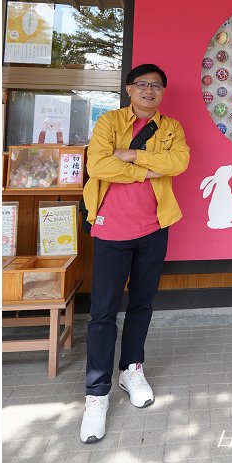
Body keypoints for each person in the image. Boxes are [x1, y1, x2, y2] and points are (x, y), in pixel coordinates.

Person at [80, 63, 190, 443]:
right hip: (111, 229)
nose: (149, 90)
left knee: (142, 303)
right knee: (103, 312)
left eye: (156, 86)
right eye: (142, 84)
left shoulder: (171, 127)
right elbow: (97, 164)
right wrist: (144, 169)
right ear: (129, 88)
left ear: (162, 91)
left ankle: (131, 369)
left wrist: (129, 156)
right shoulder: (109, 121)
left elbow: (179, 162)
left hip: (155, 227)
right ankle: (96, 394)